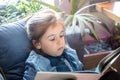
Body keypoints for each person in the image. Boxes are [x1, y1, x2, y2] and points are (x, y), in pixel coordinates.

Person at [23, 9, 83, 80]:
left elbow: (81, 72)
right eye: (52, 39)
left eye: (61, 35)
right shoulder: (35, 66)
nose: (59, 41)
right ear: (37, 44)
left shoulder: (70, 54)